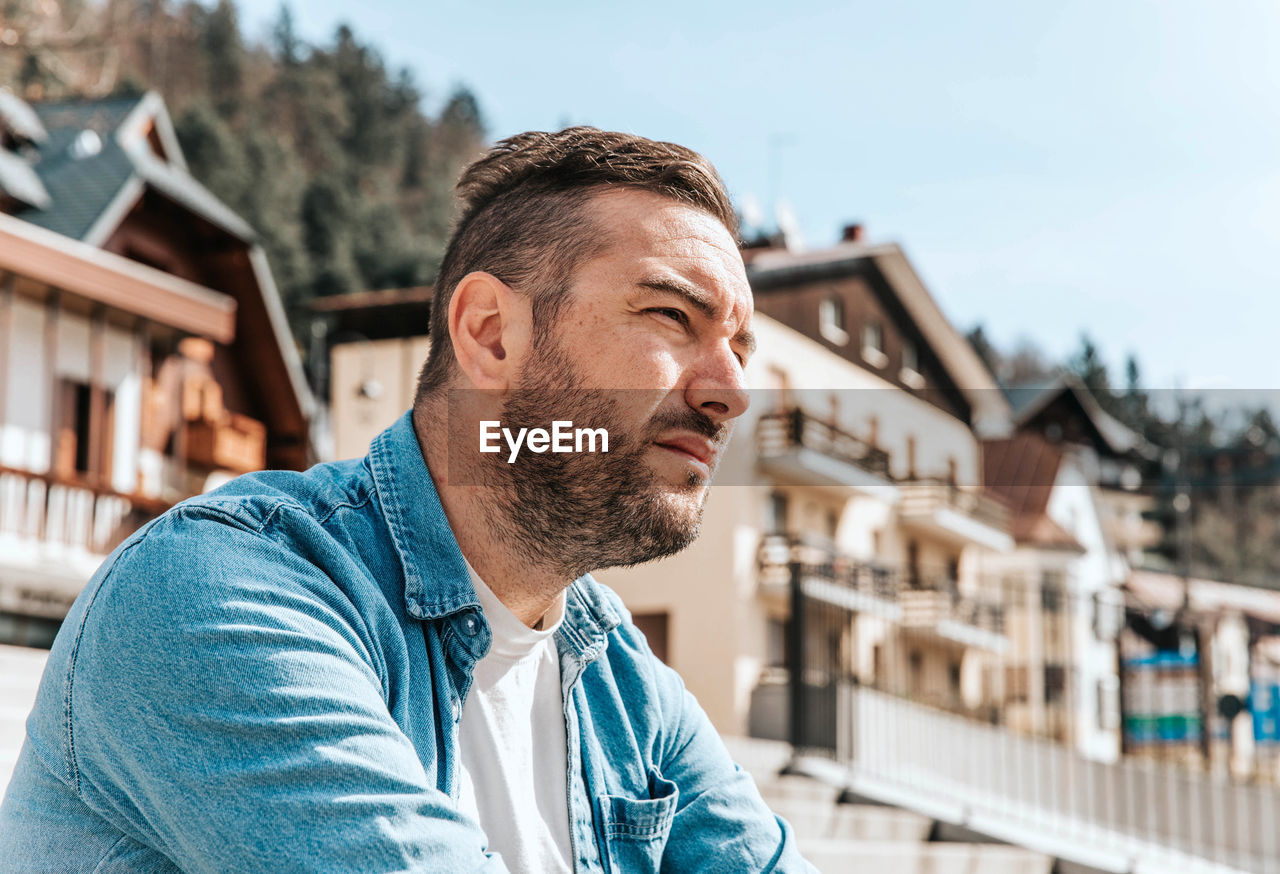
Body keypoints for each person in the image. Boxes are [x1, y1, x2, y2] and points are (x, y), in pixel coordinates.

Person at [0, 127, 816, 873]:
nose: (732, 392)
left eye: (739, 348)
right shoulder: (214, 591)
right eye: (673, 314)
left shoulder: (623, 683)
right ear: (493, 333)